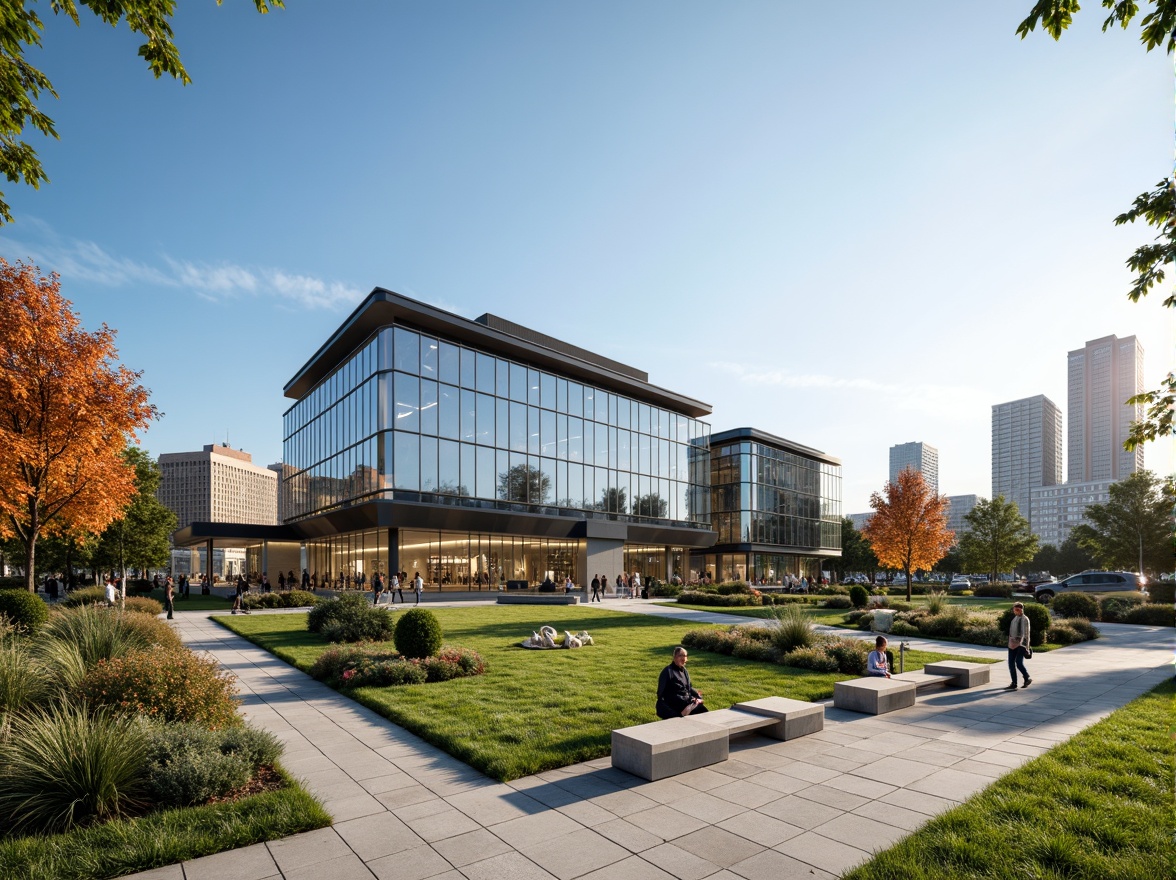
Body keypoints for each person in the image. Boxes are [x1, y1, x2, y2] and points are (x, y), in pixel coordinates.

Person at [656, 647, 708, 719]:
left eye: (685, 656)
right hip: (675, 705)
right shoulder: (667, 671)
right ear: (674, 657)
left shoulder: (684, 671)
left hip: (687, 702)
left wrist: (698, 697)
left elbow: (689, 688)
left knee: (703, 712)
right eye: (681, 656)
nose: (684, 659)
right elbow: (660, 694)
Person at [1005, 602, 1032, 689]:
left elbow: (1026, 634)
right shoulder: (1015, 618)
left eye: (1018, 609)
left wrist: (1025, 647)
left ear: (1022, 609)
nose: (1016, 611)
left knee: (1019, 663)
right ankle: (1014, 683)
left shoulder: (1024, 619)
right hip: (1012, 644)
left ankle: (1027, 677)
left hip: (1020, 645)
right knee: (1011, 664)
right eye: (1015, 609)